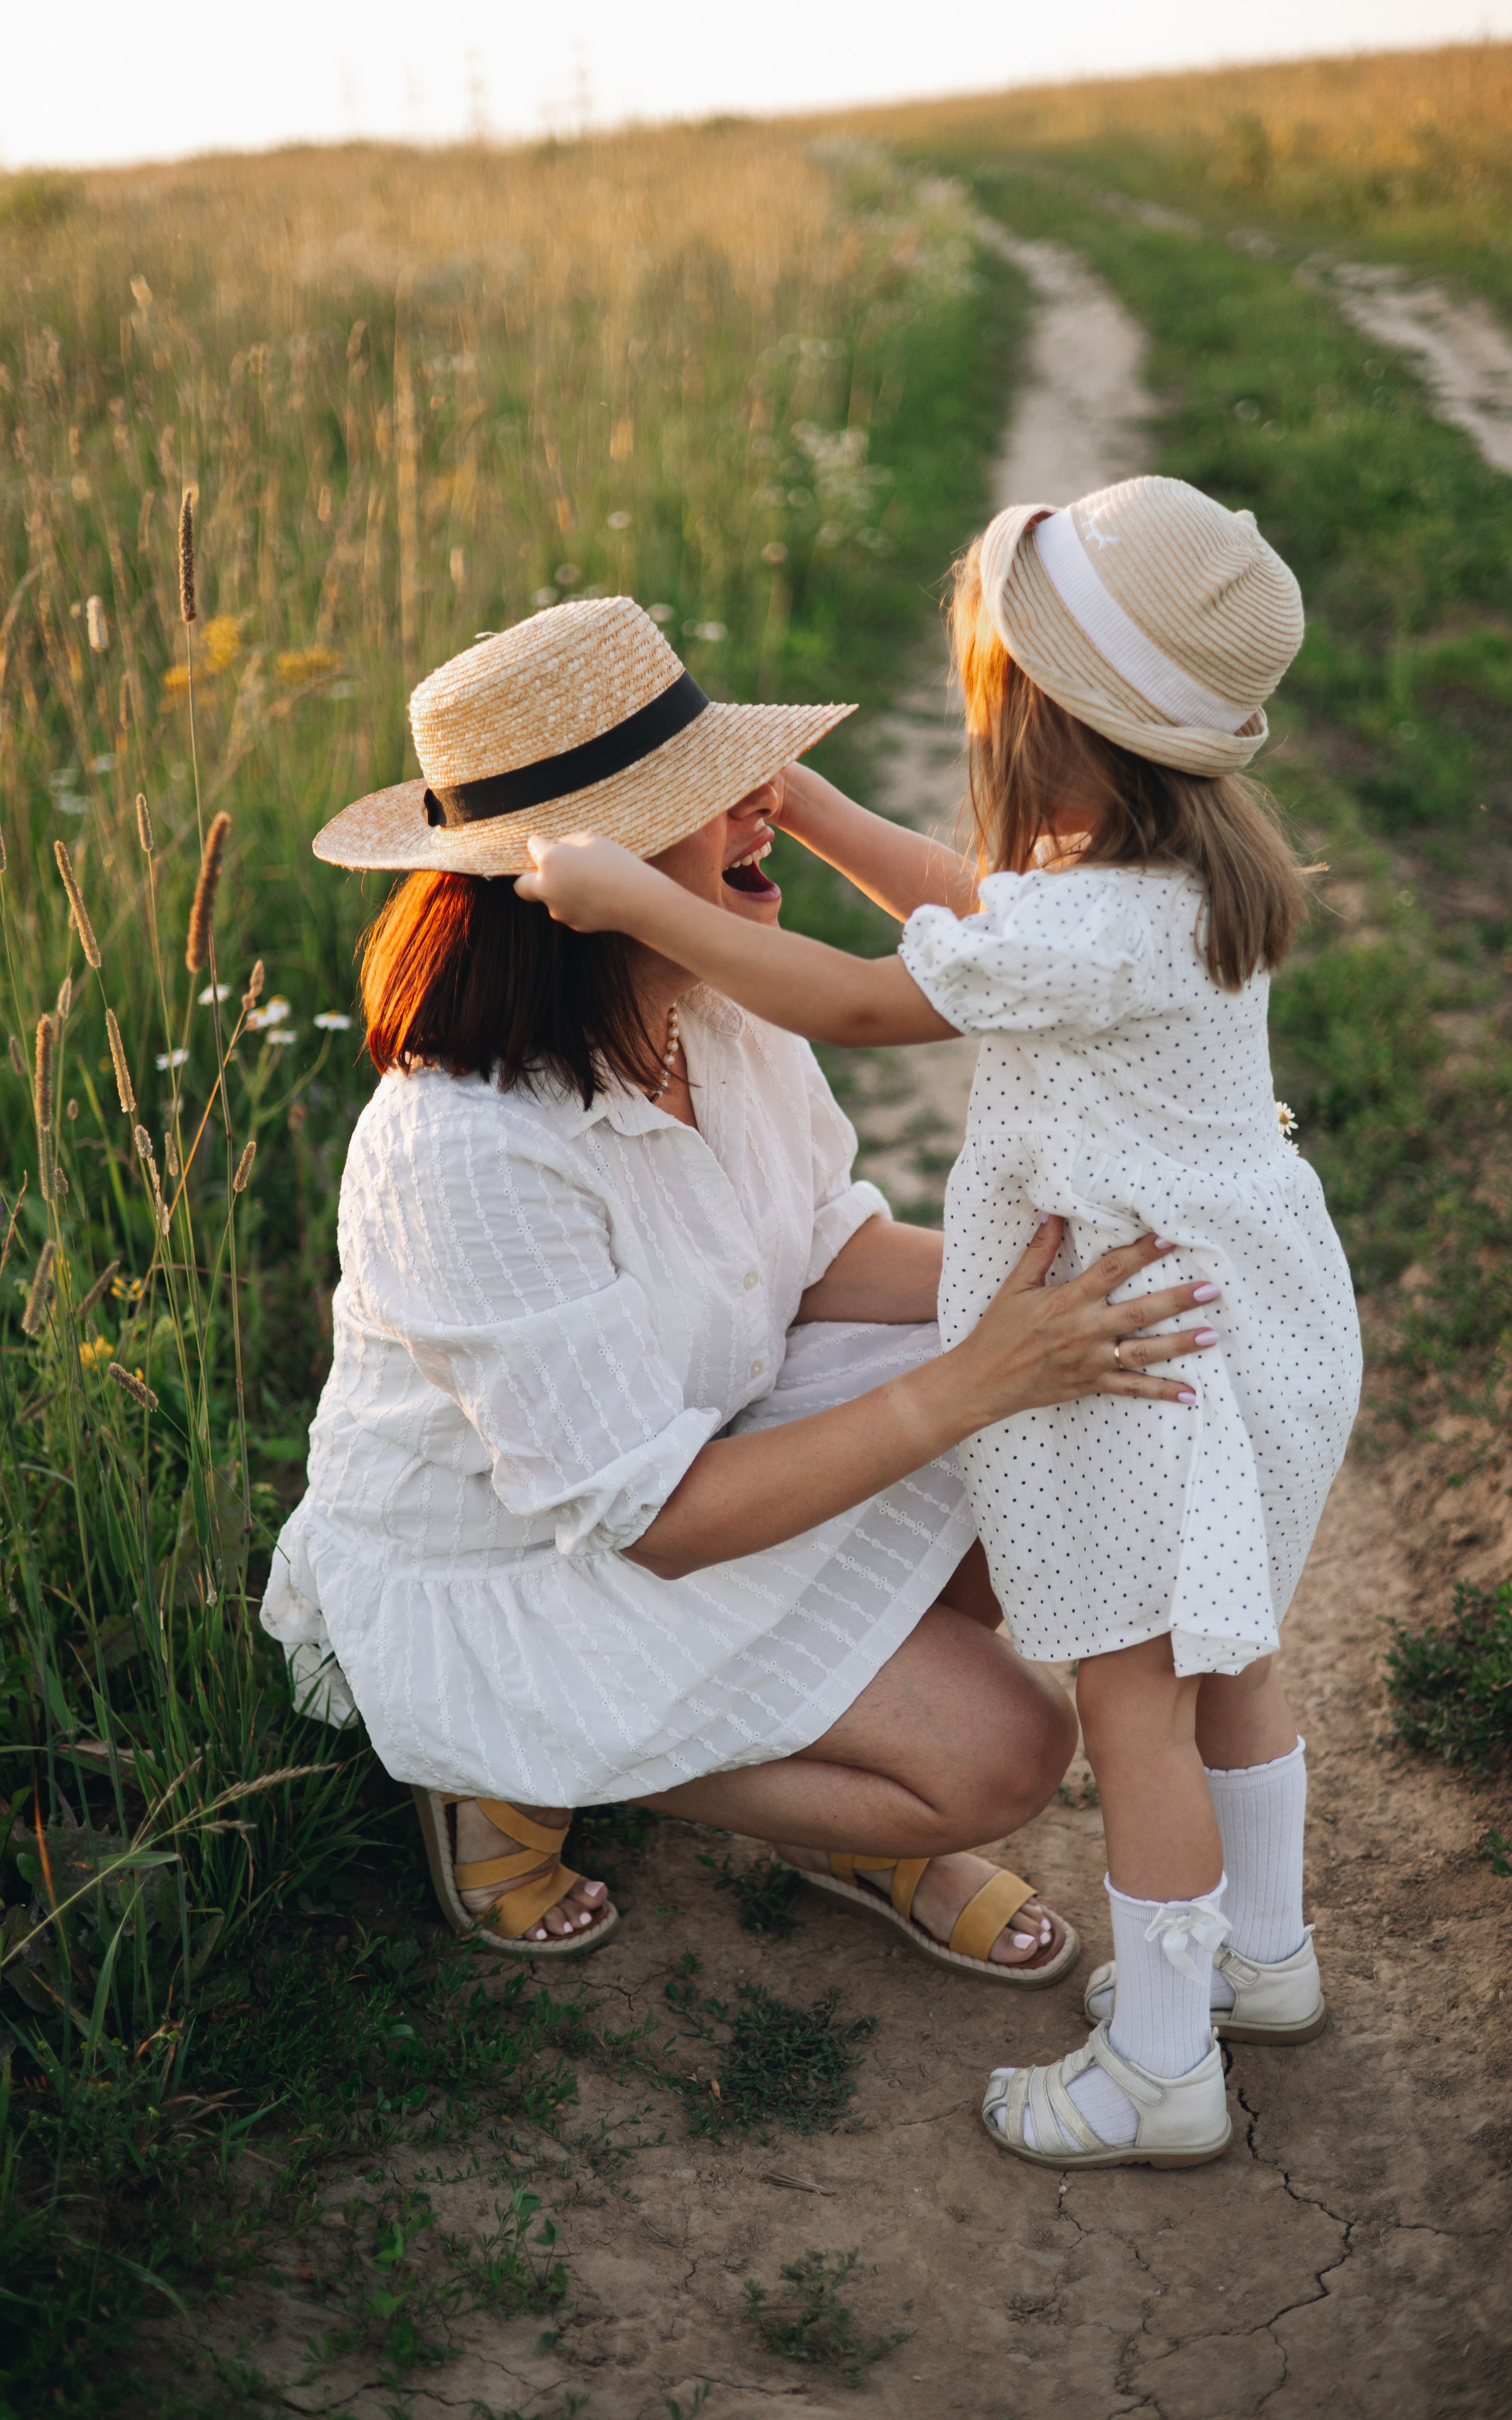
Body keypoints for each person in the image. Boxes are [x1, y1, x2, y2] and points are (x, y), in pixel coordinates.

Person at [518, 477, 1362, 2170]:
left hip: (1142, 1361)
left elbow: (855, 995)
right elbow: (979, 910)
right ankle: (1264, 1957)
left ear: (1033, 719)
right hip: (1254, 1316)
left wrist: (639, 900)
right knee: (1236, 1656)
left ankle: (1159, 2059)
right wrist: (814, 803)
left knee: (1135, 1712)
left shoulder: (1097, 920)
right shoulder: (1188, 869)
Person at [261, 592, 1218, 1984]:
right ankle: (505, 1765)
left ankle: (813, 1734)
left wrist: (1057, 1284)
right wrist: (972, 1375)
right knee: (1004, 1756)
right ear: (579, 879)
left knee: (1047, 1447)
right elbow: (642, 1522)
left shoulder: (702, 1001)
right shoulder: (463, 1146)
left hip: (709, 1426)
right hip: (526, 1561)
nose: (754, 814)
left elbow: (813, 1252)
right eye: (704, 800)